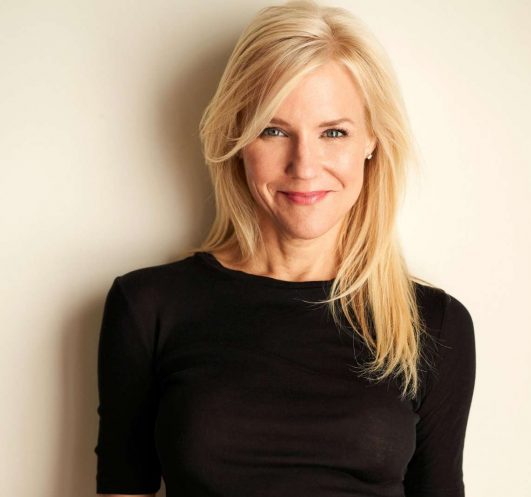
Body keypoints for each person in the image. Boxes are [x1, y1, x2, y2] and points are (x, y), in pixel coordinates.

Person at [94, 0, 476, 496]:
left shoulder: (433, 325)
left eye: (333, 132)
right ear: (237, 136)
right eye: (274, 130)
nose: (304, 165)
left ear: (372, 140)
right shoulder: (148, 308)